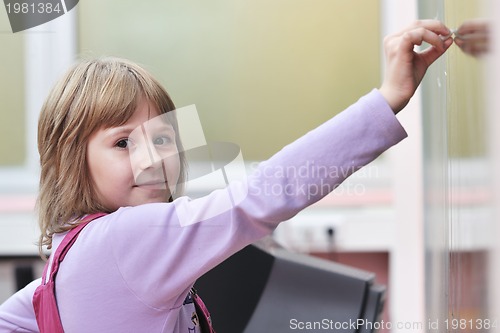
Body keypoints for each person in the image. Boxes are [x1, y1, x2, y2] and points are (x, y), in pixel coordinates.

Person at [0, 20, 453, 332]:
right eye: (122, 143)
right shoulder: (125, 237)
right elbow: (260, 196)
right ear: (69, 161)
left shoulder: (65, 260)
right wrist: (387, 98)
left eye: (161, 138)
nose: (152, 158)